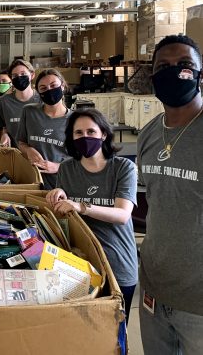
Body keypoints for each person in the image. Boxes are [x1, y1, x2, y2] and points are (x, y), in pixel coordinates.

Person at [137, 34, 203, 355]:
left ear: (200, 74)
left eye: (185, 65)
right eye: (164, 66)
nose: (175, 71)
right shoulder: (149, 134)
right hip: (154, 289)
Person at [46, 108, 138, 324]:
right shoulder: (67, 168)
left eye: (91, 131)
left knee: (115, 335)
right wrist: (58, 195)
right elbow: (66, 214)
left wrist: (81, 206)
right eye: (78, 133)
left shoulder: (124, 168)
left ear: (103, 134)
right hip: (81, 267)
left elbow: (123, 214)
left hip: (117, 265)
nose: (85, 137)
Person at [17, 69, 71, 190]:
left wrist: (58, 167)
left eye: (53, 85)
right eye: (43, 88)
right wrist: (28, 150)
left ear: (62, 86)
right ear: (39, 92)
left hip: (61, 184)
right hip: (32, 180)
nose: (49, 90)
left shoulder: (75, 120)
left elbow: (84, 159)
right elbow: (21, 142)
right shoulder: (29, 112)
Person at [0, 59, 40, 148]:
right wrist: (5, 134)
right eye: (15, 75)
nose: (19, 77)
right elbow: (4, 126)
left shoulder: (42, 100)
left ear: (32, 75)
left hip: (40, 157)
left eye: (23, 74)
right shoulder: (3, 102)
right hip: (15, 154)